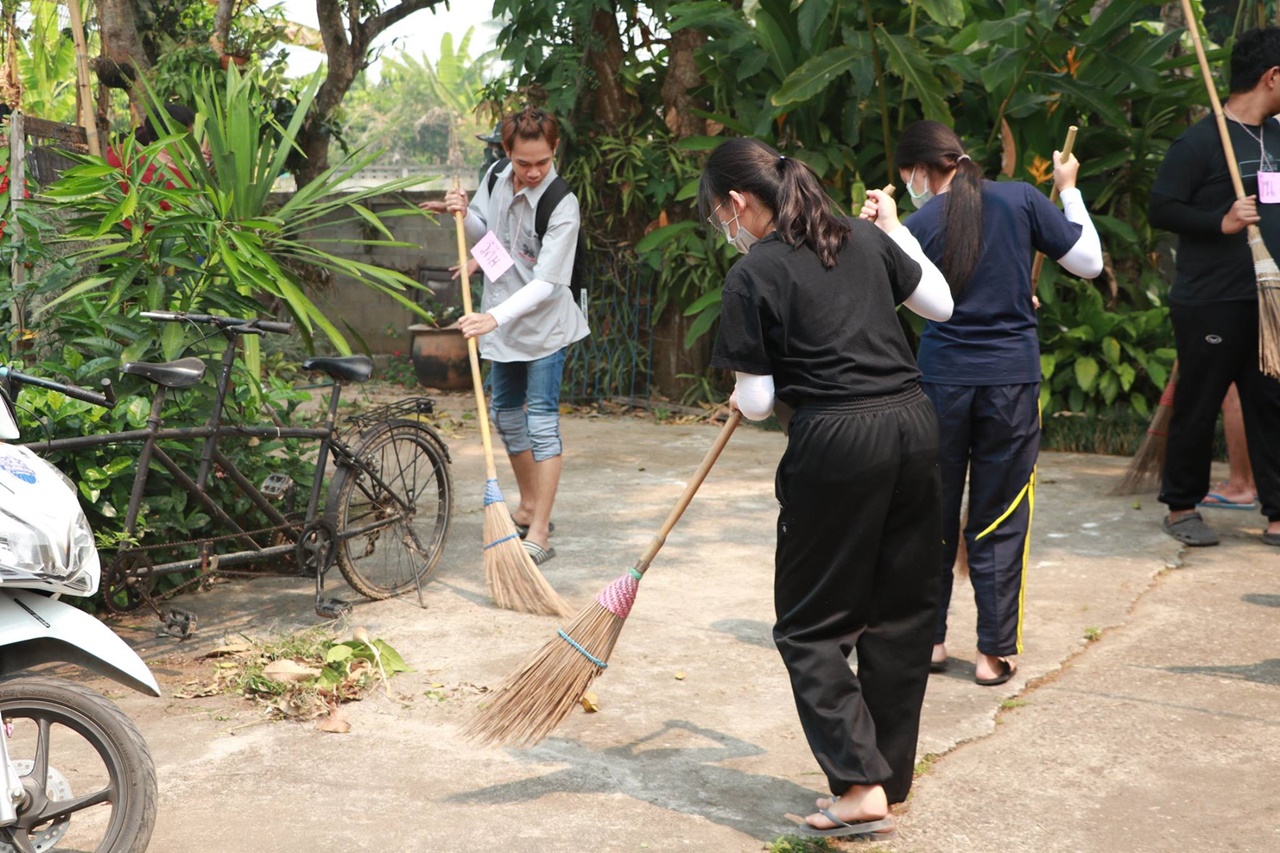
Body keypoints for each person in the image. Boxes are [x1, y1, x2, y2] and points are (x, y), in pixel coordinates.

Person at [703, 137, 953, 838]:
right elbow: (942, 305)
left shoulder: (755, 273)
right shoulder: (864, 240)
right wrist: (895, 229)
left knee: (810, 627)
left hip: (839, 442)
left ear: (737, 203)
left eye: (719, 213)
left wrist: (742, 387)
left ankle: (857, 782)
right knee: (900, 613)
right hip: (914, 424)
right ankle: (885, 780)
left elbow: (755, 403)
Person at [861, 120, 1103, 685]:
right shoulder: (1021, 199)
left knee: (930, 514)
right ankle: (993, 653)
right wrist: (1069, 189)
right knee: (1003, 512)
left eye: (908, 176)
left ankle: (931, 641)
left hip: (940, 382)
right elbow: (1088, 262)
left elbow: (897, 300)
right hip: (1011, 384)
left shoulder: (916, 223)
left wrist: (883, 232)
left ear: (919, 171)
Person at [435, 107, 589, 564]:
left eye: (542, 161)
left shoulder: (562, 202)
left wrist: (493, 318)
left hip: (543, 324)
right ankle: (527, 504)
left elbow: (546, 283)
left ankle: (539, 531)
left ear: (554, 149)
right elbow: (490, 238)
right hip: (503, 316)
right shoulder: (499, 174)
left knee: (541, 423)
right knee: (505, 416)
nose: (534, 171)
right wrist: (462, 216)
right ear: (507, 152)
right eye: (525, 162)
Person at [1149, 26, 1280, 548]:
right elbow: (1162, 208)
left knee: (1272, 402)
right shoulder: (1202, 141)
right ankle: (1182, 507)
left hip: (1268, 299)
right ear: (1273, 77)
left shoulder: (1276, 137)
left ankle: (1276, 513)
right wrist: (1220, 221)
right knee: (1200, 402)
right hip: (1212, 298)